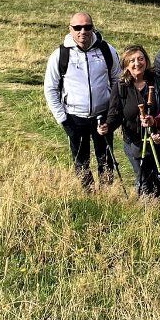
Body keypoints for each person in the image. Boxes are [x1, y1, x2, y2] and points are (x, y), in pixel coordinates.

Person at [43, 11, 122, 189]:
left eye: (87, 27)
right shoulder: (60, 55)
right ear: (70, 29)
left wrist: (113, 112)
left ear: (93, 28)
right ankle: (88, 193)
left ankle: (107, 194)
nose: (82, 31)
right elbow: (50, 88)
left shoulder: (107, 50)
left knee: (106, 159)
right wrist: (63, 119)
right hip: (74, 117)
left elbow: (117, 81)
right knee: (81, 160)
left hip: (102, 116)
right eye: (77, 27)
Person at [104, 45, 160, 199]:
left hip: (159, 140)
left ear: (146, 61)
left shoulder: (159, 82)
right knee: (144, 179)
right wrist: (107, 126)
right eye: (132, 60)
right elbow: (115, 114)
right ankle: (146, 208)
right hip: (134, 142)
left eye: (140, 59)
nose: (137, 63)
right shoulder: (121, 87)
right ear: (126, 65)